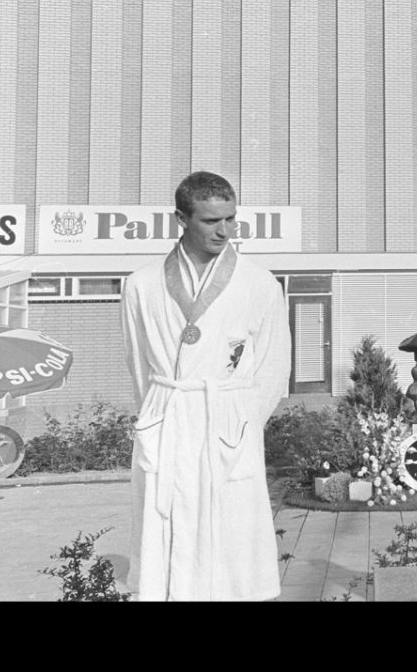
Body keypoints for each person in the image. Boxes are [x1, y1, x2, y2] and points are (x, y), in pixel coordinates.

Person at [121, 171, 291, 601]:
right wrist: (159, 414)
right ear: (181, 218)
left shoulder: (259, 283)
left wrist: (242, 423)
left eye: (231, 219)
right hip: (169, 414)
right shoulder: (141, 284)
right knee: (166, 541)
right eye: (211, 221)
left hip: (227, 421)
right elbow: (139, 364)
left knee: (232, 547)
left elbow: (273, 369)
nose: (225, 230)